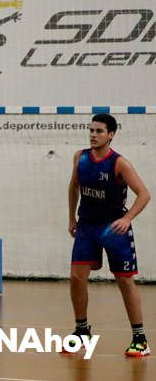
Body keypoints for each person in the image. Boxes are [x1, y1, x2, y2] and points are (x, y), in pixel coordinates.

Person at [67, 113, 151, 357]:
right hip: (87, 227)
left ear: (111, 134)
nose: (93, 135)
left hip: (113, 229)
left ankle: (140, 338)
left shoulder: (119, 163)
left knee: (124, 280)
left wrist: (127, 219)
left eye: (99, 131)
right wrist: (72, 217)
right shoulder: (80, 157)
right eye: (91, 130)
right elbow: (73, 187)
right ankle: (82, 331)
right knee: (76, 277)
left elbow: (144, 194)